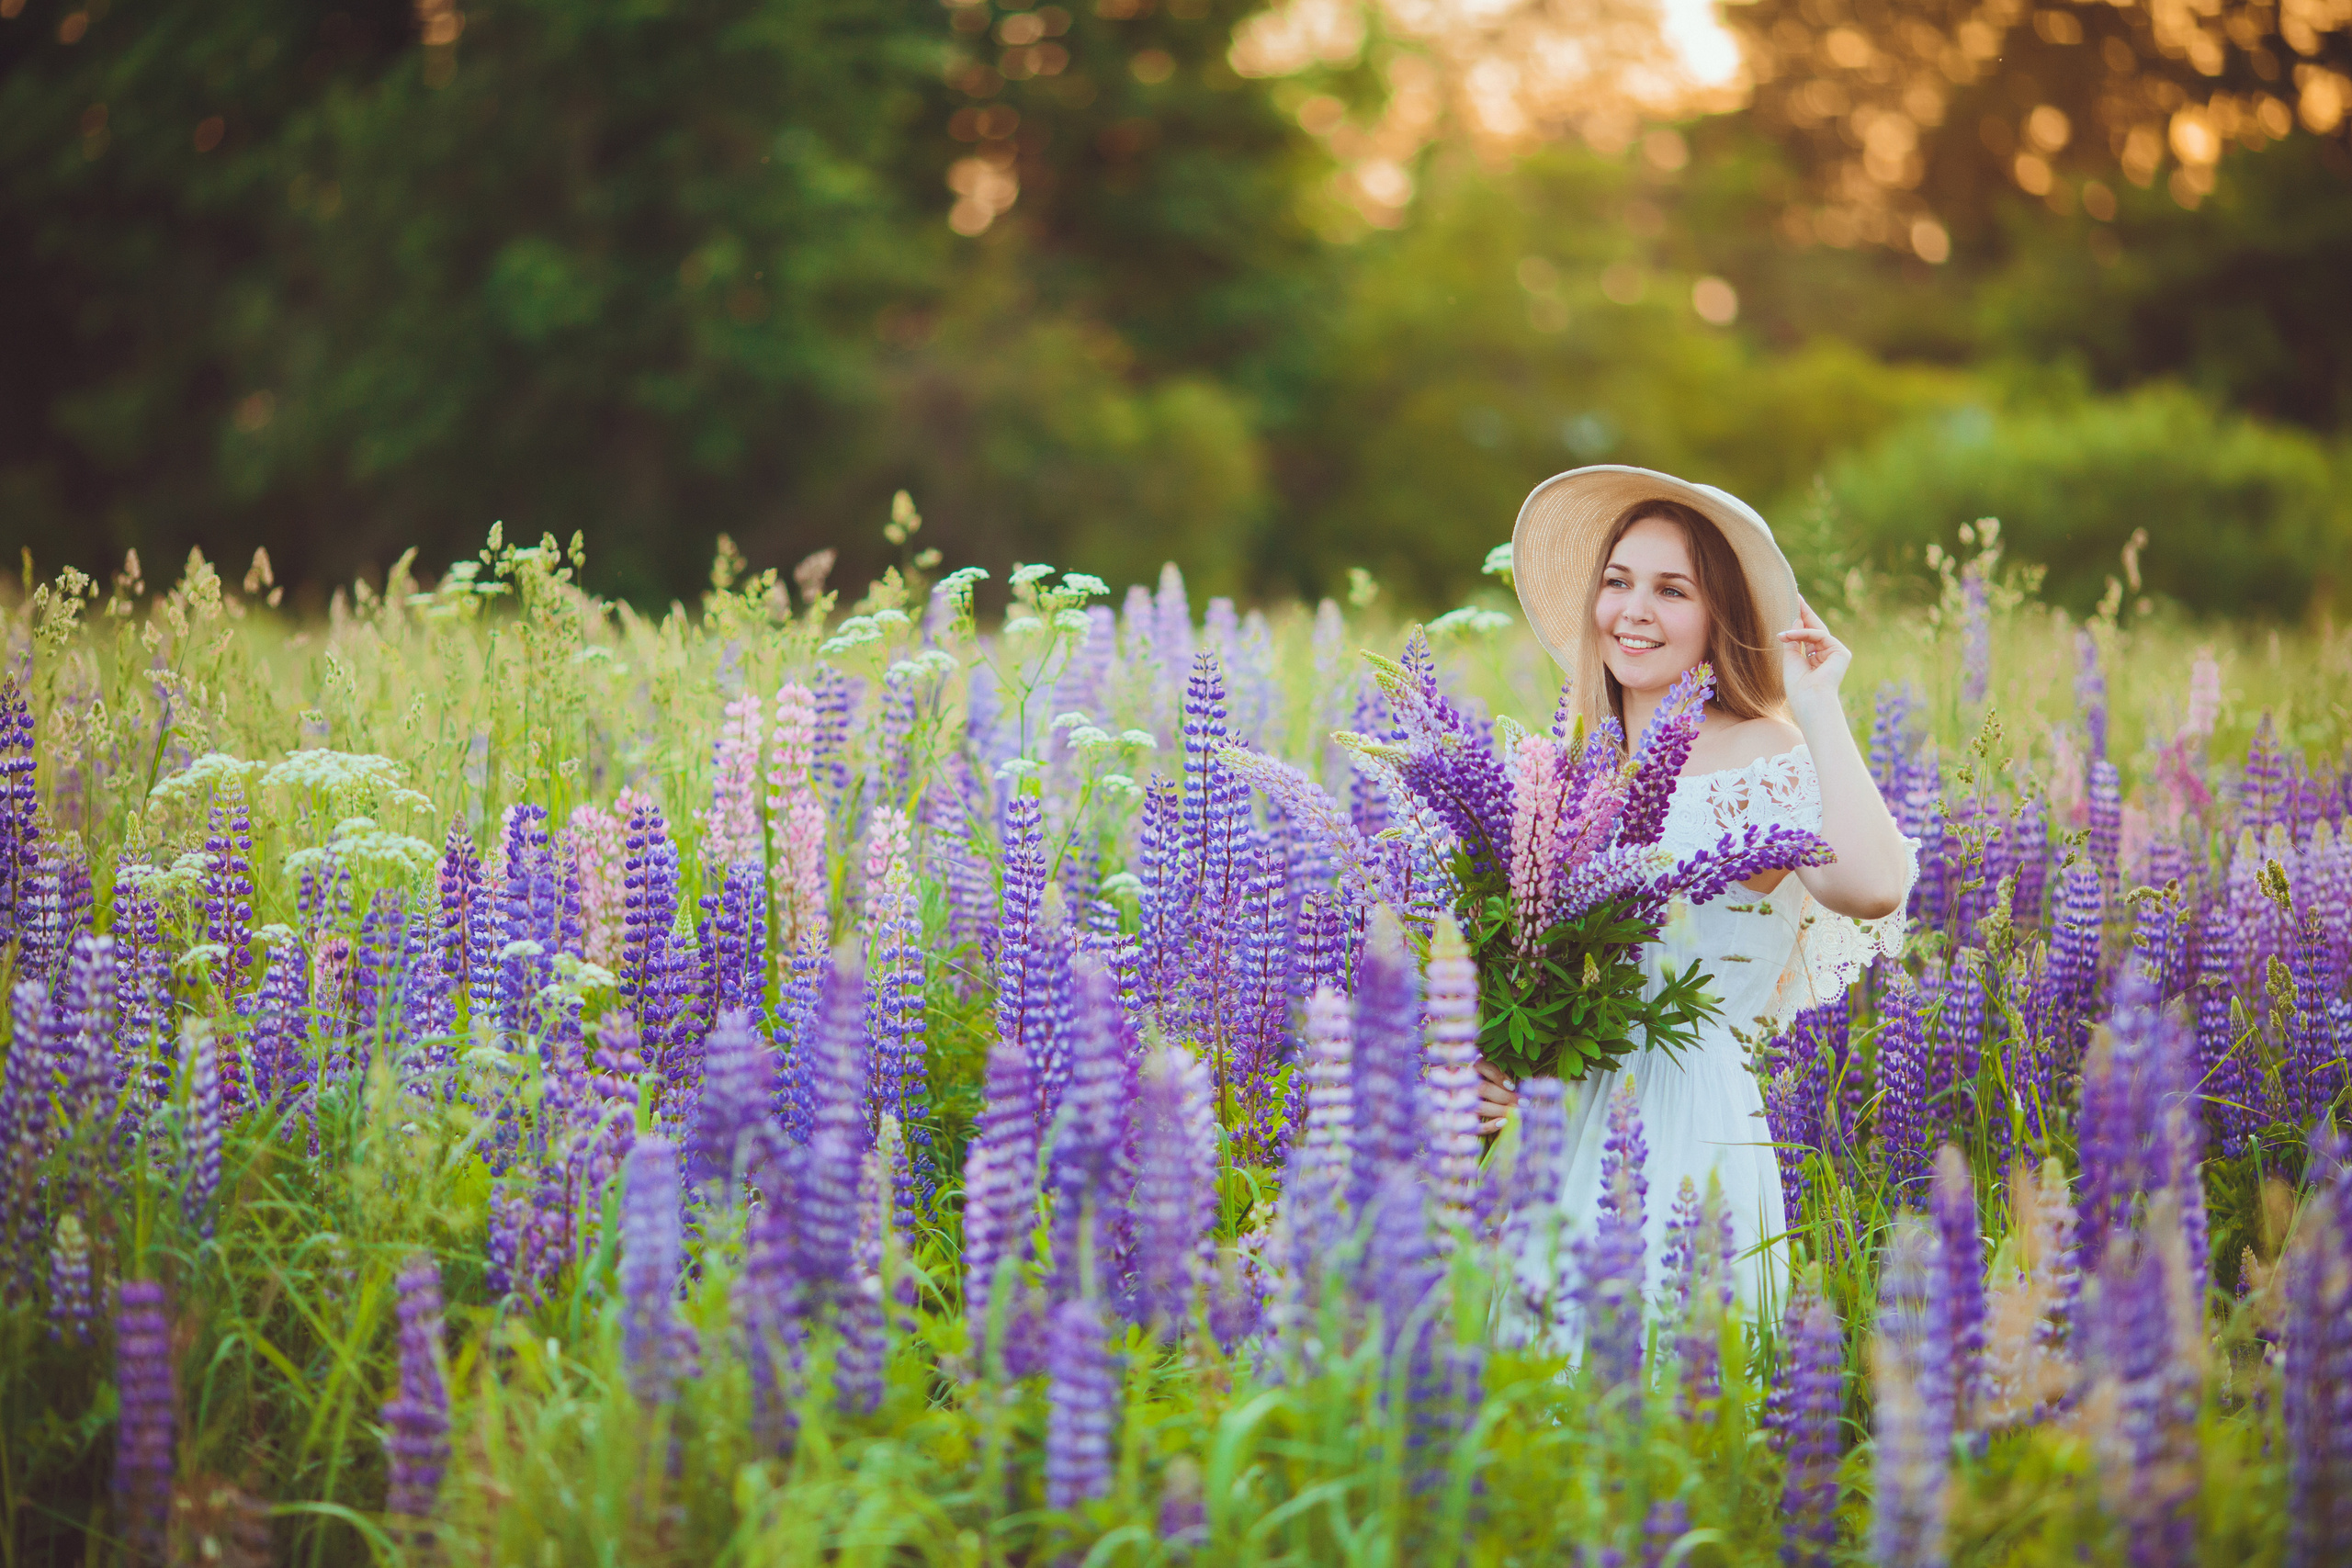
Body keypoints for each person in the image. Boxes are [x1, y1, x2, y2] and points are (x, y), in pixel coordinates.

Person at [1487, 465, 1917, 1322]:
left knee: (1666, 1369)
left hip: (1682, 1115)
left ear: (1719, 614)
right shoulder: (1567, 765)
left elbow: (1872, 886)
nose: (1634, 610)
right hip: (1559, 1127)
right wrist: (1492, 1063)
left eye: (1672, 590)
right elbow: (1527, 972)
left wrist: (1816, 706)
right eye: (1618, 582)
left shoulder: (1758, 751)